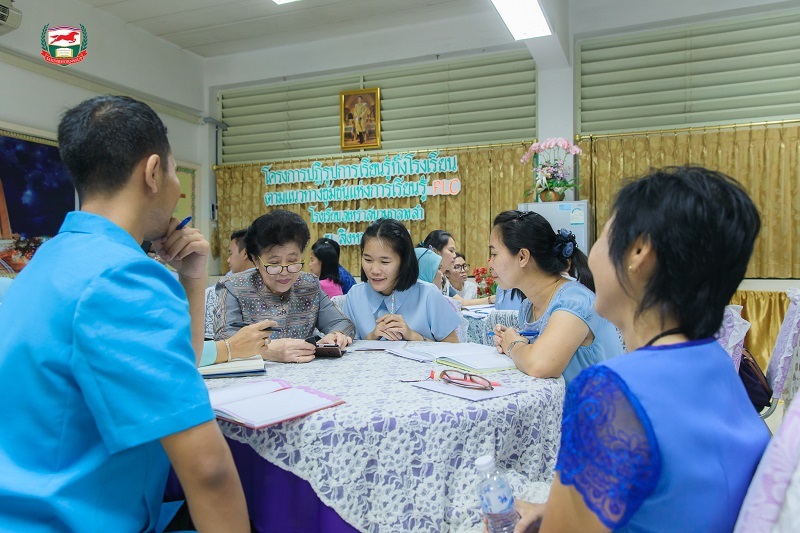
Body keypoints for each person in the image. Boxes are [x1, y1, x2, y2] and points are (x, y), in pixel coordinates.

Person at [0, 96, 248, 531]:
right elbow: (209, 470)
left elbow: (178, 369)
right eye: (174, 171)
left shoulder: (49, 258)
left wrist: (192, 278)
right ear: (152, 172)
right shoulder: (123, 277)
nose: (177, 189)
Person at [513, 167, 770, 532]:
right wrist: (553, 509)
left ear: (638, 251)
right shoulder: (715, 360)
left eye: (604, 233)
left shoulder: (611, 391)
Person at [491, 211, 623, 383]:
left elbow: (539, 365)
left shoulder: (573, 302)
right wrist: (514, 341)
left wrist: (513, 345)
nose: (489, 263)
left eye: (494, 254)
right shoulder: (528, 307)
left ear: (522, 257)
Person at [213, 210, 354, 363]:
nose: (284, 271)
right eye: (274, 263)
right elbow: (224, 339)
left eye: (292, 261)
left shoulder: (309, 285)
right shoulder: (233, 287)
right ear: (255, 260)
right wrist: (268, 350)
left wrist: (335, 336)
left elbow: (341, 323)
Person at [343, 219, 461, 342]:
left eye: (384, 262)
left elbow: (453, 346)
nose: (375, 270)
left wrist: (413, 336)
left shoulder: (428, 294)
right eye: (368, 260)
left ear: (404, 261)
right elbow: (348, 347)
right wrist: (371, 338)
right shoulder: (355, 295)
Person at [420, 229, 457, 296]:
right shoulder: (423, 279)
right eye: (451, 251)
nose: (455, 256)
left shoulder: (444, 279)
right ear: (434, 252)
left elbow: (459, 301)